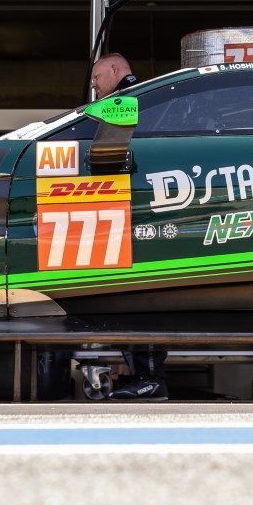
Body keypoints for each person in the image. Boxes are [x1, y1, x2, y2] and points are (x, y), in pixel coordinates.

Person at [87, 53, 165, 399]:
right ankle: (145, 376)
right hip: (141, 209)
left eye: (96, 76)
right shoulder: (141, 98)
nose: (93, 84)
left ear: (115, 70)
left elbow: (110, 154)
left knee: (136, 298)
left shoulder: (125, 102)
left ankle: (150, 379)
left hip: (137, 212)